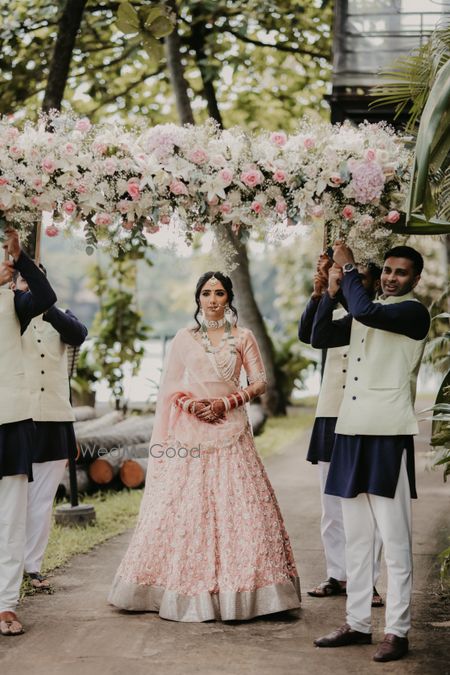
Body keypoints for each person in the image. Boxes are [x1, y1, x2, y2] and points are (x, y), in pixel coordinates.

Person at [109, 271, 301, 621]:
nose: (213, 300)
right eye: (207, 293)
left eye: (220, 293)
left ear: (229, 298)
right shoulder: (183, 339)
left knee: (240, 506)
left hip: (231, 430)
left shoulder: (243, 337)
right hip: (191, 431)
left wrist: (225, 403)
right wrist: (190, 404)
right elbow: (170, 387)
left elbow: (259, 382)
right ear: (197, 299)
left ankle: (247, 593)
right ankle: (174, 588)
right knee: (185, 508)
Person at [311, 243, 430, 662]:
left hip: (386, 434)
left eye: (401, 273)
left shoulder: (412, 313)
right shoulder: (368, 308)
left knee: (395, 540)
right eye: (389, 271)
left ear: (415, 279)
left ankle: (397, 631)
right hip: (350, 431)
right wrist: (329, 292)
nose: (391, 277)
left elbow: (367, 313)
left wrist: (348, 266)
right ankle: (357, 623)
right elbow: (319, 336)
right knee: (358, 538)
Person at [299, 254, 383, 606]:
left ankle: (369, 581)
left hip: (366, 416)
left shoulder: (379, 314)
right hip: (331, 415)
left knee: (367, 504)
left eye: (361, 278)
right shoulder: (331, 310)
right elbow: (308, 335)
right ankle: (337, 574)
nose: (354, 283)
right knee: (331, 504)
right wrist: (322, 292)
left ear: (373, 284)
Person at [11, 267, 88, 591]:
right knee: (16, 498)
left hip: (56, 418)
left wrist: (48, 305)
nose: (28, 286)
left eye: (35, 281)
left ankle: (33, 565)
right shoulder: (10, 317)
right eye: (23, 280)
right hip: (20, 418)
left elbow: (79, 334)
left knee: (43, 500)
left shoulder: (61, 318)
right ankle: (11, 565)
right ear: (14, 285)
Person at [0, 228, 57, 636]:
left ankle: (5, 604)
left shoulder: (15, 304)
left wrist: (22, 260)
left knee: (10, 518)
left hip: (11, 419)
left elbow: (47, 298)